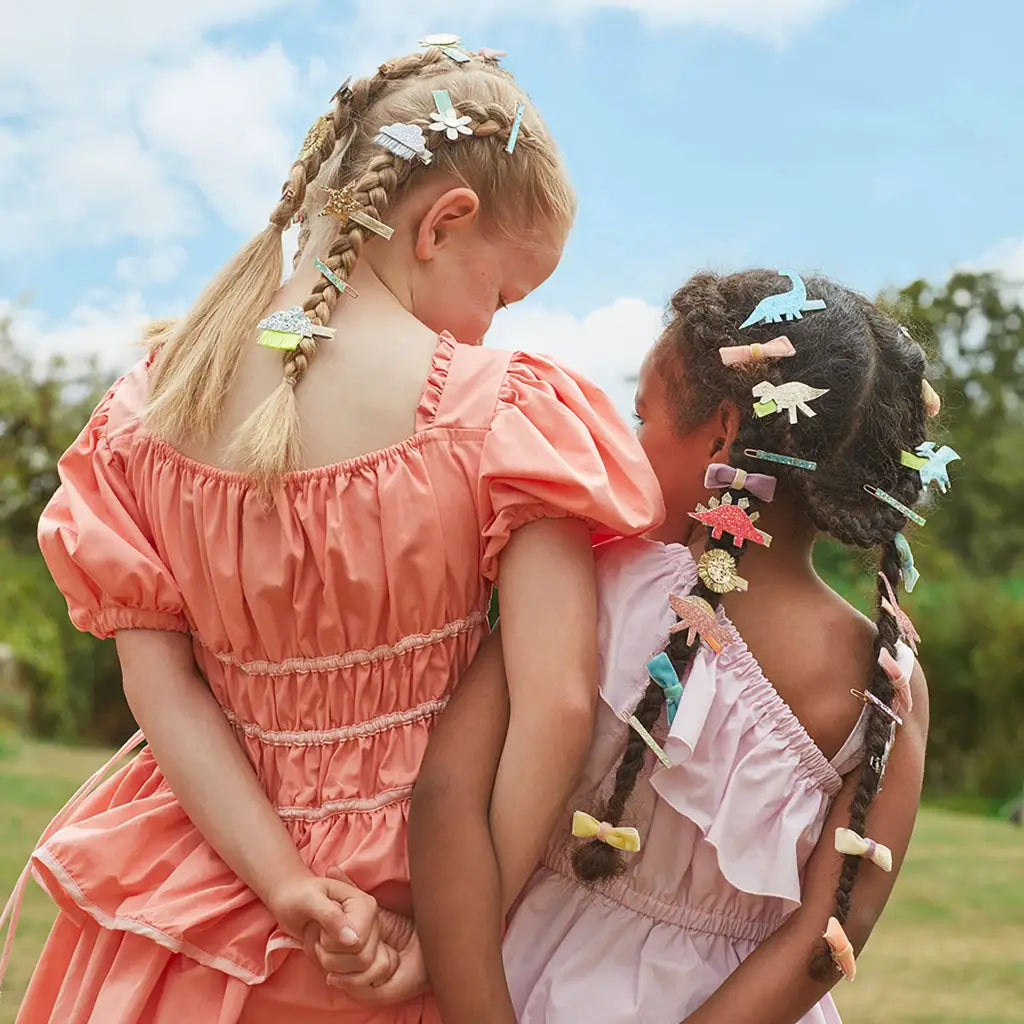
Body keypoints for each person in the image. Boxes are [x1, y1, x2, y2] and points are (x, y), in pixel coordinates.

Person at [0, 45, 664, 1023]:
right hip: (422, 899)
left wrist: (288, 886)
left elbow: (162, 688)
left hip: (201, 903)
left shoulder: (145, 410)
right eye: (504, 294)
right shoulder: (503, 412)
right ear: (443, 224)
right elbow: (555, 701)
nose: (490, 327)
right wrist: (453, 934)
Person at [410, 269, 938, 1023]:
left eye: (642, 420)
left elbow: (446, 795)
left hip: (521, 983)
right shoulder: (883, 684)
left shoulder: (590, 584)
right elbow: (836, 926)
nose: (629, 448)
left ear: (724, 432)